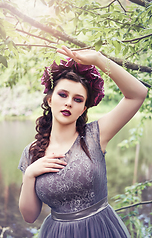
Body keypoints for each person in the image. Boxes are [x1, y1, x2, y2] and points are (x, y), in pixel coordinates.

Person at [18, 46, 148, 238]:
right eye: (63, 95)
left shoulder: (95, 135)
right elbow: (29, 217)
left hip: (100, 230)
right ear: (50, 99)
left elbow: (138, 93)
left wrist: (98, 58)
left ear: (83, 109)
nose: (69, 102)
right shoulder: (31, 152)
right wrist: (30, 175)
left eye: (77, 99)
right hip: (57, 233)